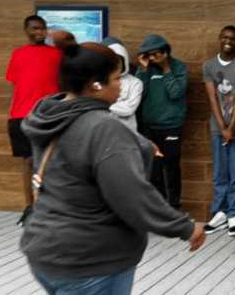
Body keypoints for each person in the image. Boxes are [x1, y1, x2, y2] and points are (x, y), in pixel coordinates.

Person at [19, 41, 206, 295]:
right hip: (91, 263)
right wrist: (184, 227)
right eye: (116, 78)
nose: (121, 85)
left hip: (45, 251)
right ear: (96, 84)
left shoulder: (51, 114)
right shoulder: (105, 129)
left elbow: (79, 155)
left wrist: (135, 144)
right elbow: (133, 196)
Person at [5, 15, 63, 205]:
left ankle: (51, 206)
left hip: (50, 115)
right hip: (21, 116)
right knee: (28, 162)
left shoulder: (58, 53)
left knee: (52, 162)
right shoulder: (18, 54)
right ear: (26, 30)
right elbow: (17, 86)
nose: (39, 32)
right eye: (34, 28)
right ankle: (29, 208)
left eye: (42, 28)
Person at [201, 26, 235, 236]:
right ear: (220, 39)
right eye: (225, 37)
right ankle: (220, 213)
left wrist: (231, 127)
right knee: (220, 173)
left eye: (233, 38)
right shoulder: (209, 65)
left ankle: (234, 215)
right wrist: (223, 127)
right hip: (218, 128)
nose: (228, 41)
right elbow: (213, 97)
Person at [136, 34, 189, 210]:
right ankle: (159, 209)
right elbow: (138, 94)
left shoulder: (179, 67)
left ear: (165, 52)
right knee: (154, 171)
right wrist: (143, 70)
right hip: (149, 127)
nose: (151, 58)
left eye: (155, 54)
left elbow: (175, 93)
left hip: (171, 127)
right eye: (148, 55)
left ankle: (174, 208)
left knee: (172, 169)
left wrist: (166, 69)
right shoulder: (146, 69)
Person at [102, 36, 143, 133]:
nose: (117, 65)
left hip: (128, 132)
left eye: (119, 60)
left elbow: (129, 109)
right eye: (113, 61)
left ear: (125, 61)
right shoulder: (101, 80)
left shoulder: (135, 83)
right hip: (106, 131)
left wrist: (104, 105)